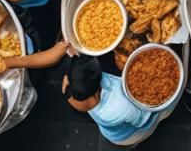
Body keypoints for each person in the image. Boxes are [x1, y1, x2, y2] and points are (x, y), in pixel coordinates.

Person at [43, 53, 178, 145]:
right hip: (129, 134)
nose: (70, 97)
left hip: (111, 129)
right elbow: (140, 121)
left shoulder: (81, 95)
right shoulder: (120, 107)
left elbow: (72, 97)